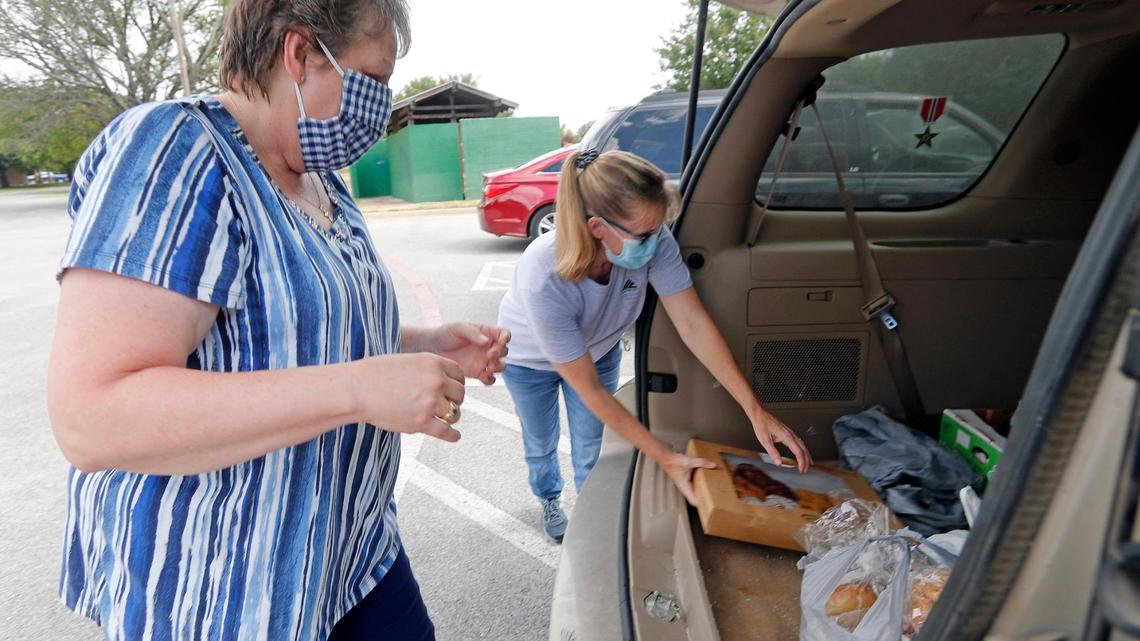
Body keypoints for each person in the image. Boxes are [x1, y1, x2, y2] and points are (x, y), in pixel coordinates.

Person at [45, 1, 509, 639]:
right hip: (228, 592)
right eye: (373, 77)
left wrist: (421, 346)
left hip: (353, 555)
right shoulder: (175, 151)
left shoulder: (321, 179)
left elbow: (281, 334)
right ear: (299, 55)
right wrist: (358, 390)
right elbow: (93, 416)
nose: (382, 102)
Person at [498, 149, 813, 542]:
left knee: (592, 443)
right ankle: (548, 495)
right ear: (597, 227)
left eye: (659, 227)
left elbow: (693, 324)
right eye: (645, 234)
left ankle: (590, 519)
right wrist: (666, 458)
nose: (655, 241)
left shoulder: (652, 240)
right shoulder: (542, 274)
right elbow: (589, 389)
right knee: (541, 438)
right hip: (529, 360)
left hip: (599, 348)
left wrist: (754, 409)